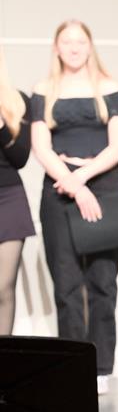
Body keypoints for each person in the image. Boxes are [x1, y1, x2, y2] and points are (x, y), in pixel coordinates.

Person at [30, 20, 118, 395]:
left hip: (103, 186)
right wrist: (71, 183)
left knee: (103, 282)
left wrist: (83, 178)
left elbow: (117, 145)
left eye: (80, 41)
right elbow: (41, 147)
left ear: (90, 46)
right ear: (56, 48)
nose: (74, 47)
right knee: (66, 285)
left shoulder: (110, 88)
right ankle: (73, 367)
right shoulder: (44, 91)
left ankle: (101, 367)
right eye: (66, 41)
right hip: (59, 189)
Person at [0, 46, 34, 335]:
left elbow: (21, 158)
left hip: (8, 199)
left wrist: (1, 124)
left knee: (2, 286)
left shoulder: (18, 101)